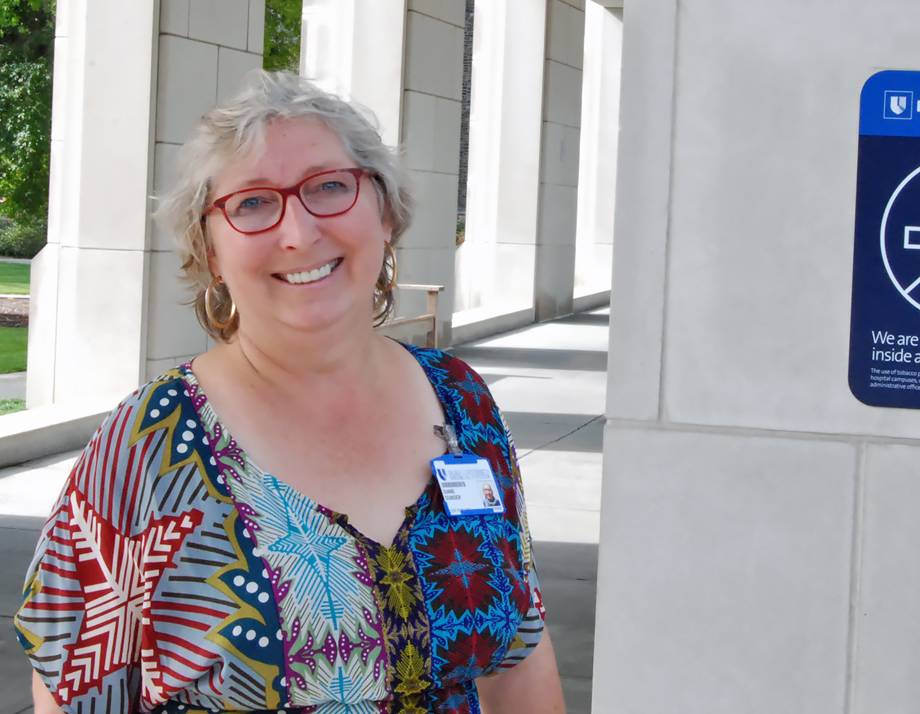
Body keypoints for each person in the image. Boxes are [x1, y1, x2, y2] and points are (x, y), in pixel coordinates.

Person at [15, 70, 564, 714]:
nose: (298, 233)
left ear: (384, 213)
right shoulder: (150, 443)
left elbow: (519, 649)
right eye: (251, 203)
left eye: (329, 187)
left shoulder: (461, 399)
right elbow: (72, 688)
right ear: (211, 252)